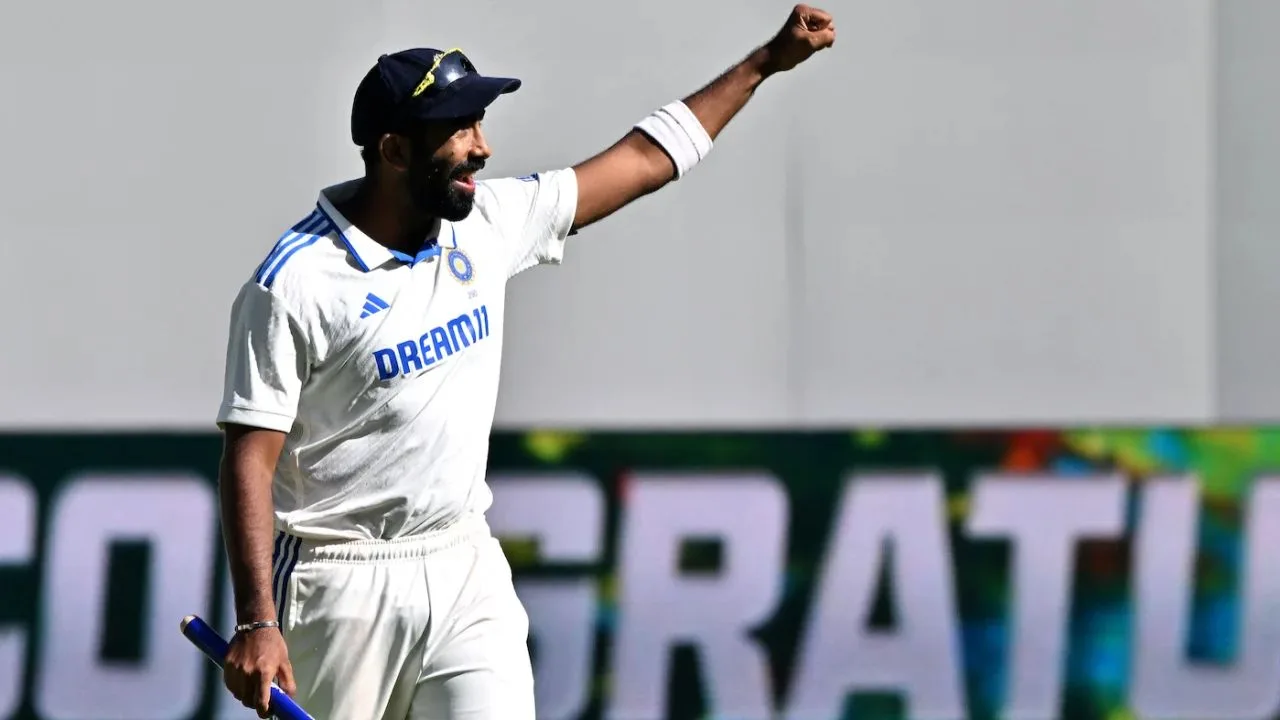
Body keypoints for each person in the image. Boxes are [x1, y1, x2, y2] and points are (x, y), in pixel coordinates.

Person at [214, 4, 835, 718]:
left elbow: (640, 161)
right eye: (458, 129)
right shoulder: (293, 283)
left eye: (479, 124)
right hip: (336, 582)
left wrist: (764, 63)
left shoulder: (487, 221)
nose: (481, 148)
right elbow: (250, 461)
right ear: (393, 152)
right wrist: (260, 622)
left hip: (462, 562)